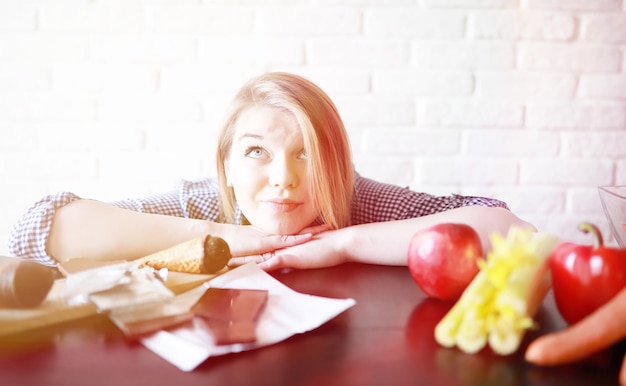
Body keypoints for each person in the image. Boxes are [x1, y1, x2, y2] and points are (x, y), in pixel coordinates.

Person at [8, 72, 531, 272]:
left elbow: (510, 230)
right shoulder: (204, 204)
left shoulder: (349, 200)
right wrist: (221, 235)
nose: (284, 178)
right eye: (257, 153)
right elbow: (35, 231)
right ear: (228, 167)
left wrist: (344, 243)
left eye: (307, 153)